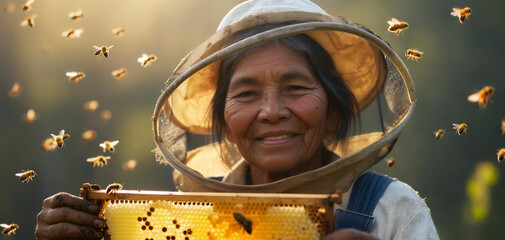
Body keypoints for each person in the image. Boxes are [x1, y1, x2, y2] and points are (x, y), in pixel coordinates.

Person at [35, 0, 439, 239]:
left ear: (333, 112)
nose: (271, 111)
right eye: (246, 94)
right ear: (225, 123)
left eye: (295, 88)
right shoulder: (183, 223)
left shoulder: (392, 211)